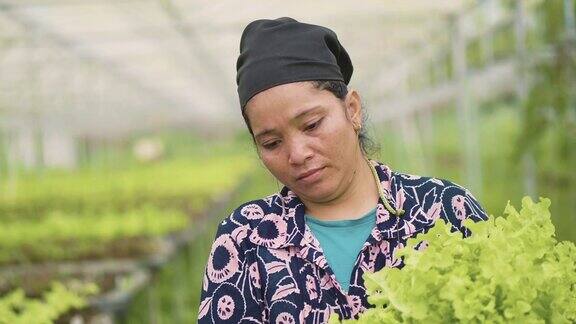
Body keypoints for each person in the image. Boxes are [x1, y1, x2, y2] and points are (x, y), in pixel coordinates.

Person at [198, 17, 488, 323]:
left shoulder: (444, 210)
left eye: (312, 125)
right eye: (271, 143)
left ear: (352, 110)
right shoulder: (245, 239)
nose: (297, 154)